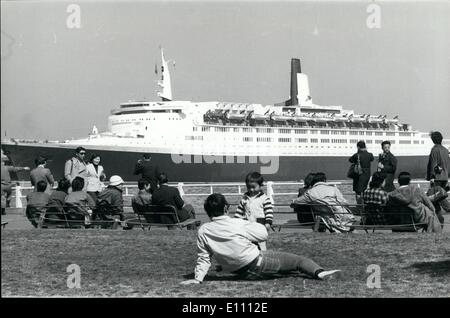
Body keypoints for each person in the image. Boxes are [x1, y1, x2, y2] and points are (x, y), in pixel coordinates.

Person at [180, 193, 340, 285]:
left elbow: (204, 258)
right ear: (226, 208)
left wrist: (197, 279)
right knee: (298, 261)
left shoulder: (204, 230)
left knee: (286, 270)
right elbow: (263, 234)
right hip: (256, 264)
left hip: (238, 272)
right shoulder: (237, 223)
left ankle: (308, 272)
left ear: (207, 211)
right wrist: (249, 220)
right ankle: (320, 273)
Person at [234, 172, 274, 250]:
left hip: (260, 227)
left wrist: (268, 223)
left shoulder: (265, 199)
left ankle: (262, 258)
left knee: (261, 246)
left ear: (260, 185)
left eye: (253, 187)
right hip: (247, 228)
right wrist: (235, 223)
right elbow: (239, 212)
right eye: (249, 187)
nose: (251, 189)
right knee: (247, 246)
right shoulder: (244, 199)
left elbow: (269, 212)